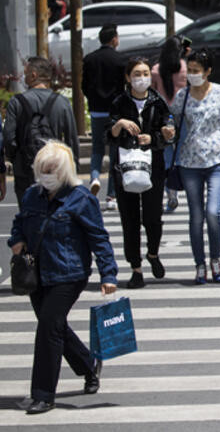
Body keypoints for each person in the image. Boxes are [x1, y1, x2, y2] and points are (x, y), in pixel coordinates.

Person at [8, 141, 118, 415]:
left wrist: (108, 274)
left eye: (51, 169)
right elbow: (20, 221)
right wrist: (17, 240)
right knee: (54, 327)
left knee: (48, 327)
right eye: (42, 169)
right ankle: (88, 365)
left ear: (64, 170)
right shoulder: (33, 195)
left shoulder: (81, 198)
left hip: (69, 273)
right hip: (38, 274)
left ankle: (43, 395)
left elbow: (99, 238)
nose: (46, 174)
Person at [172, 49, 220, 284]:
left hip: (218, 160)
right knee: (195, 216)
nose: (192, 75)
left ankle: (215, 258)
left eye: (196, 71)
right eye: (189, 71)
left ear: (208, 71)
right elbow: (172, 124)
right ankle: (199, 263)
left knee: (213, 212)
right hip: (189, 162)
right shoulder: (182, 96)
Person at [107, 57, 174, 288]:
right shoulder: (119, 102)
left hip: (152, 168)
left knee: (153, 217)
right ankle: (135, 268)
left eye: (145, 73)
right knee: (130, 220)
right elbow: (110, 134)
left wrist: (155, 137)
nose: (141, 78)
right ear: (128, 77)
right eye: (136, 74)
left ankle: (153, 254)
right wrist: (121, 124)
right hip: (124, 168)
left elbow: (168, 133)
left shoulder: (158, 102)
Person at [3, 57, 79, 209]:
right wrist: (72, 169)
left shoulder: (16, 102)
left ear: (34, 75)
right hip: (55, 168)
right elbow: (71, 139)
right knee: (55, 213)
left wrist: (13, 159)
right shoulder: (62, 102)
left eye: (26, 73)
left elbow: (9, 138)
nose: (24, 77)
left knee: (29, 215)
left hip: (25, 169)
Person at [82, 24, 127, 211]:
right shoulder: (119, 60)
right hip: (114, 112)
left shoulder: (90, 59)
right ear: (113, 39)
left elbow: (84, 85)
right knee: (115, 152)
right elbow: (122, 87)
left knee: (97, 149)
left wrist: (93, 99)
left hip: (96, 110)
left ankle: (94, 177)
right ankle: (111, 196)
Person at [151, 35, 189, 213]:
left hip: (163, 118)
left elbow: (151, 93)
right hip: (182, 115)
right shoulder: (183, 67)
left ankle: (171, 193)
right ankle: (185, 188)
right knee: (180, 157)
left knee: (167, 158)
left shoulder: (156, 70)